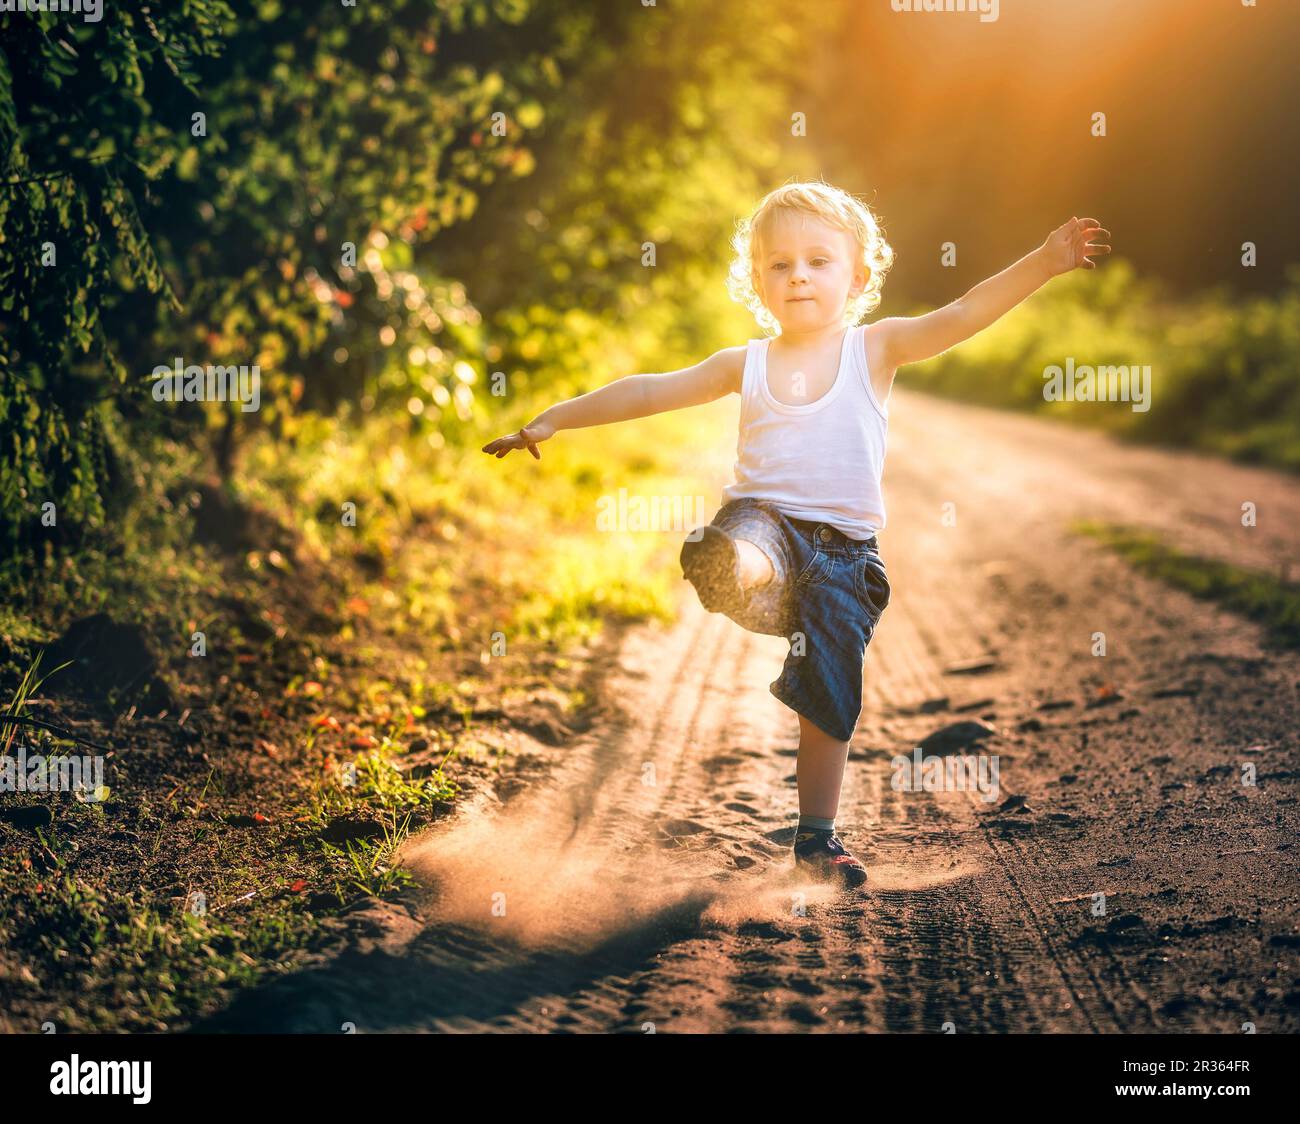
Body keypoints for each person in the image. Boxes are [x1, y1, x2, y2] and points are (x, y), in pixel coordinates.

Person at [483, 178, 1109, 888]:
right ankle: (730, 565)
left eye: (818, 261)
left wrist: (1043, 261)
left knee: (832, 697)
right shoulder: (743, 364)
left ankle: (817, 840)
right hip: (763, 527)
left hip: (845, 558)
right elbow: (652, 389)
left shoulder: (877, 349)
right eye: (778, 264)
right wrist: (554, 417)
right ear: (757, 279)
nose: (798, 276)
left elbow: (964, 312)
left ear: (859, 275)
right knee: (754, 538)